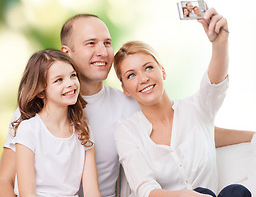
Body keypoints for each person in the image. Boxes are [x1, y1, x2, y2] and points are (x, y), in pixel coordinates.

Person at [0, 13, 255, 197]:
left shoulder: (128, 104)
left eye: (107, 43)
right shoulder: (32, 114)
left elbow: (188, 131)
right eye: (91, 44)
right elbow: (5, 182)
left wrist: (251, 136)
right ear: (67, 52)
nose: (102, 51)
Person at [113, 8, 251, 197]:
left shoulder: (196, 110)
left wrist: (220, 44)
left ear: (163, 72)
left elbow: (214, 84)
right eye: (131, 75)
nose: (143, 78)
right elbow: (146, 189)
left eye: (148, 68)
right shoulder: (126, 131)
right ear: (125, 89)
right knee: (205, 192)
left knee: (236, 192)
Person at [10, 49, 101, 197]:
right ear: (40, 92)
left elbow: (92, 192)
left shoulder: (83, 130)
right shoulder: (29, 130)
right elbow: (27, 194)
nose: (70, 83)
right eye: (59, 80)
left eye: (73, 75)